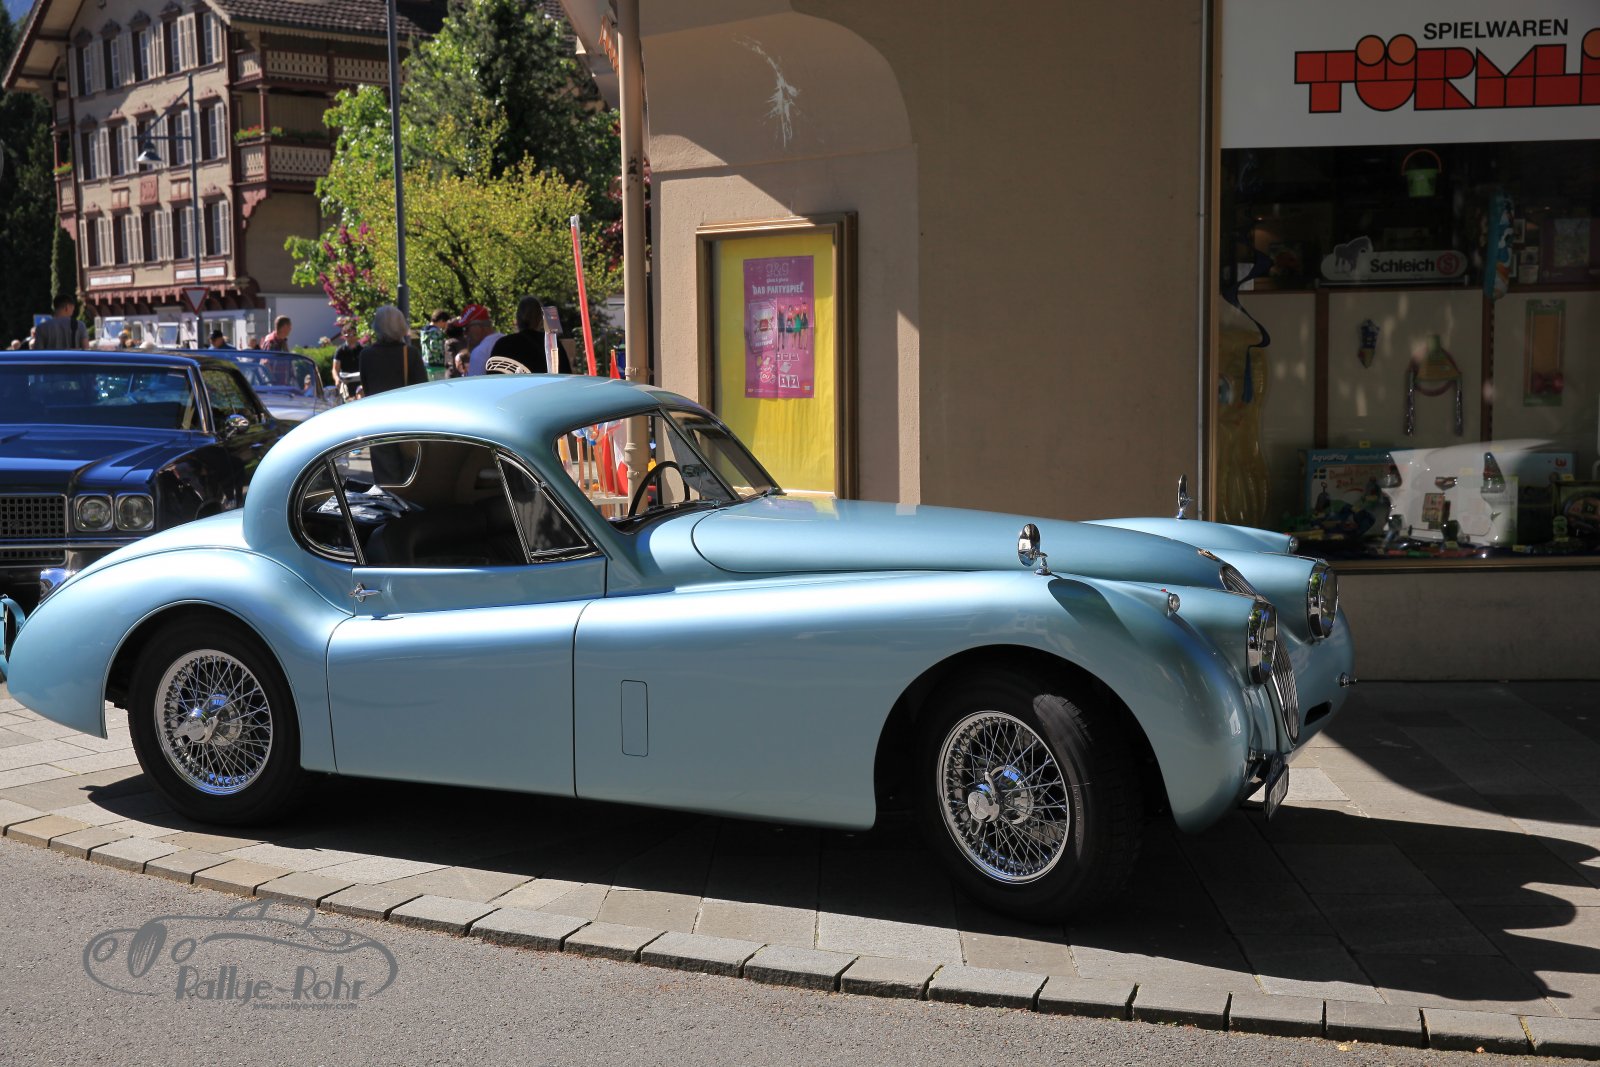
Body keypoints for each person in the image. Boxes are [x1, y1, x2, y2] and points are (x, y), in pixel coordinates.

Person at [359, 305, 427, 484]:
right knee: (411, 478)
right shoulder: (411, 354)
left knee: (386, 481)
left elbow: (367, 389)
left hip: (378, 424)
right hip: (408, 424)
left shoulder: (366, 355)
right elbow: (423, 392)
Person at [485, 295, 571, 375]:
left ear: (517, 318)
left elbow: (492, 378)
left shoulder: (502, 345)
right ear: (540, 319)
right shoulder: (552, 345)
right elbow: (565, 376)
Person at [452, 304, 500, 375]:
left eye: (466, 328)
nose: (465, 334)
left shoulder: (480, 352)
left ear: (478, 326)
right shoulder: (505, 340)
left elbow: (475, 382)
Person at [331, 322, 362, 401]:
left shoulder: (362, 349)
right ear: (344, 336)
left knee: (360, 397)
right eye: (348, 335)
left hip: (360, 381)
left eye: (353, 335)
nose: (351, 337)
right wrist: (336, 379)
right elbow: (335, 369)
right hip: (346, 382)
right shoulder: (340, 351)